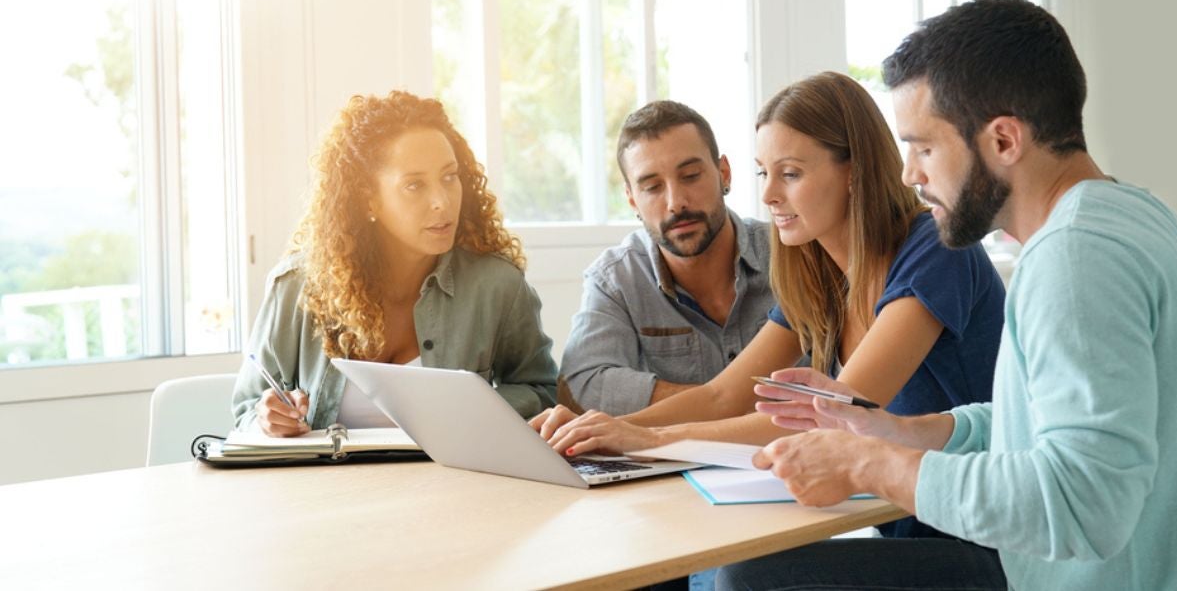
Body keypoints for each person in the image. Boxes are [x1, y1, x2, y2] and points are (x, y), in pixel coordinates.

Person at [720, 0, 1177, 590]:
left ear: (1003, 140)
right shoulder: (1134, 214)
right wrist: (899, 431)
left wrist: (870, 465)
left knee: (751, 580)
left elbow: (1083, 504)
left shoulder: (1073, 259)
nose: (909, 174)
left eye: (924, 147)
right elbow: (1046, 424)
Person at [533, 72, 1004, 540]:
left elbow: (834, 417)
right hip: (896, 530)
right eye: (765, 172)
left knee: (741, 578)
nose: (768, 194)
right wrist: (600, 433)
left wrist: (653, 440)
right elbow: (722, 396)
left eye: (791, 173)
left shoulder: (936, 249)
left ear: (854, 173)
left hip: (980, 539)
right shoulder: (819, 273)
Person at [232, 91, 556, 436]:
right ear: (368, 199)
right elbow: (246, 412)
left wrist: (471, 408)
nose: (441, 202)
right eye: (414, 185)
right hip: (323, 487)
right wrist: (267, 418)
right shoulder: (297, 286)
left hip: (450, 486)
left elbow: (541, 392)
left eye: (450, 177)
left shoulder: (496, 285)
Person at [559, 100, 778, 415]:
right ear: (632, 199)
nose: (676, 202)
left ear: (724, 173)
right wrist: (717, 404)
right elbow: (583, 381)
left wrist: (718, 404)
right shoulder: (616, 279)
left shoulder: (790, 256)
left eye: (690, 176)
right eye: (652, 187)